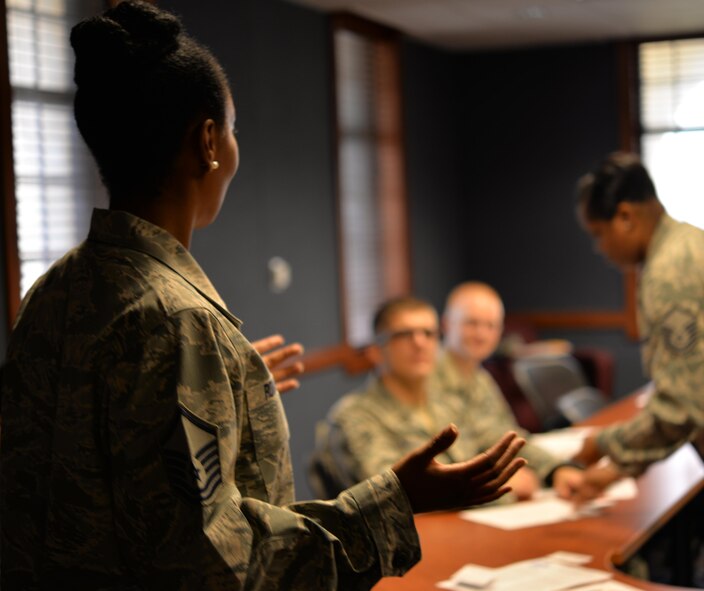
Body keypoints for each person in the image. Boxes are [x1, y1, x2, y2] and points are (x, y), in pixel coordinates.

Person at [0, 3, 527, 589]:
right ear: (208, 142)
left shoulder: (55, 290)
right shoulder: (177, 320)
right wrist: (394, 502)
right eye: (233, 128)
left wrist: (227, 393)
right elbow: (216, 565)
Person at [312, 295, 569, 501]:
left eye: (428, 333)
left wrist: (556, 470)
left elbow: (497, 437)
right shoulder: (354, 417)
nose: (420, 343)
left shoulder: (448, 402)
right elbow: (396, 498)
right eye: (404, 335)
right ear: (377, 352)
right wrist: (499, 489)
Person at [572, 152, 704, 500]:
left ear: (626, 216)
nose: (600, 248)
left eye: (599, 233)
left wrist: (606, 447)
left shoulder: (670, 271)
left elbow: (683, 405)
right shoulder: (690, 243)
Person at [435, 282, 583, 500]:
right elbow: (444, 469)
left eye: (490, 326)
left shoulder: (480, 378)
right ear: (447, 324)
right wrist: (496, 483)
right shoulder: (423, 381)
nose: (481, 334)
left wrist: (555, 469)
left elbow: (506, 437)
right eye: (471, 323)